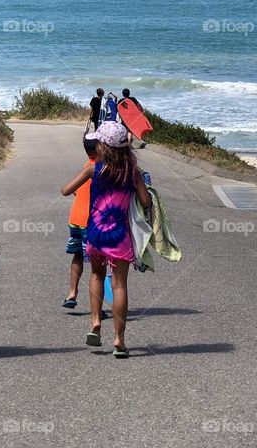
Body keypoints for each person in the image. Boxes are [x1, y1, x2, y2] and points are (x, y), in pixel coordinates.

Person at [60, 121, 151, 358]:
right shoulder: (132, 172)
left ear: (104, 146)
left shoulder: (94, 169)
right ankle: (119, 340)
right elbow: (146, 201)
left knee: (96, 275)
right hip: (120, 236)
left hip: (96, 234)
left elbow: (66, 190)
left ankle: (95, 323)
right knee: (120, 285)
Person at [62, 137, 98, 310]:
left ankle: (72, 293)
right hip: (90, 221)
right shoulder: (98, 170)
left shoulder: (85, 167)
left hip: (75, 218)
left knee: (77, 255)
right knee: (98, 266)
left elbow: (75, 191)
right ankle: (97, 306)